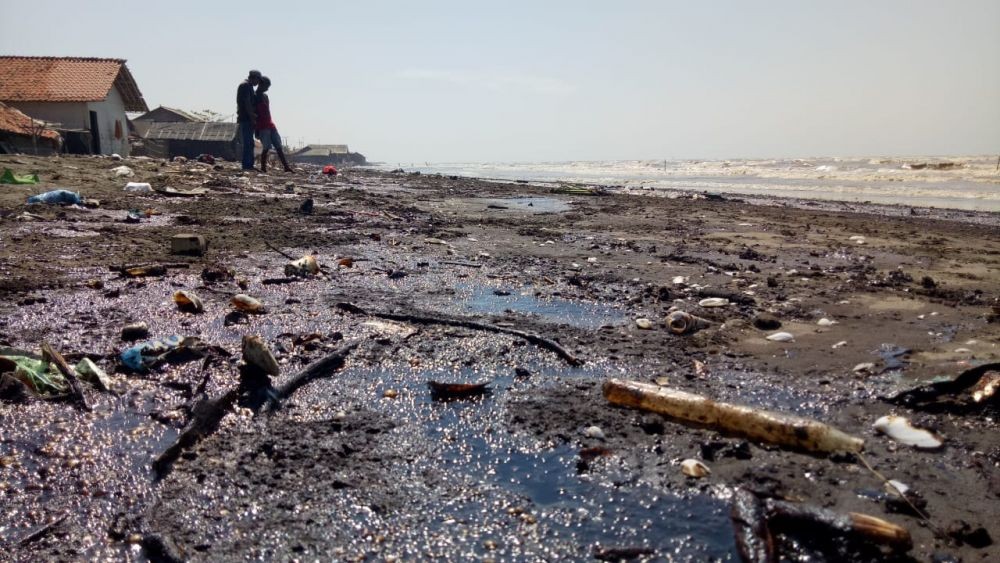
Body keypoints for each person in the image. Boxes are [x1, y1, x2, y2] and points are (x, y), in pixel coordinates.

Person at [254, 76, 293, 173]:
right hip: (262, 127)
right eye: (266, 86)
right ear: (261, 84)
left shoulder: (265, 96)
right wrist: (256, 130)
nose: (267, 88)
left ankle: (286, 167)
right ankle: (263, 168)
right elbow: (254, 114)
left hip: (270, 125)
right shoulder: (254, 97)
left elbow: (268, 111)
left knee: (279, 146)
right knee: (266, 148)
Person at [236, 70, 262, 170]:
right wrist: (253, 118)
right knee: (247, 143)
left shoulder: (248, 86)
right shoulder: (245, 86)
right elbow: (247, 104)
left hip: (246, 118)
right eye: (258, 80)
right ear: (254, 77)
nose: (258, 83)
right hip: (245, 119)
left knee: (250, 143)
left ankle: (249, 165)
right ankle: (247, 165)